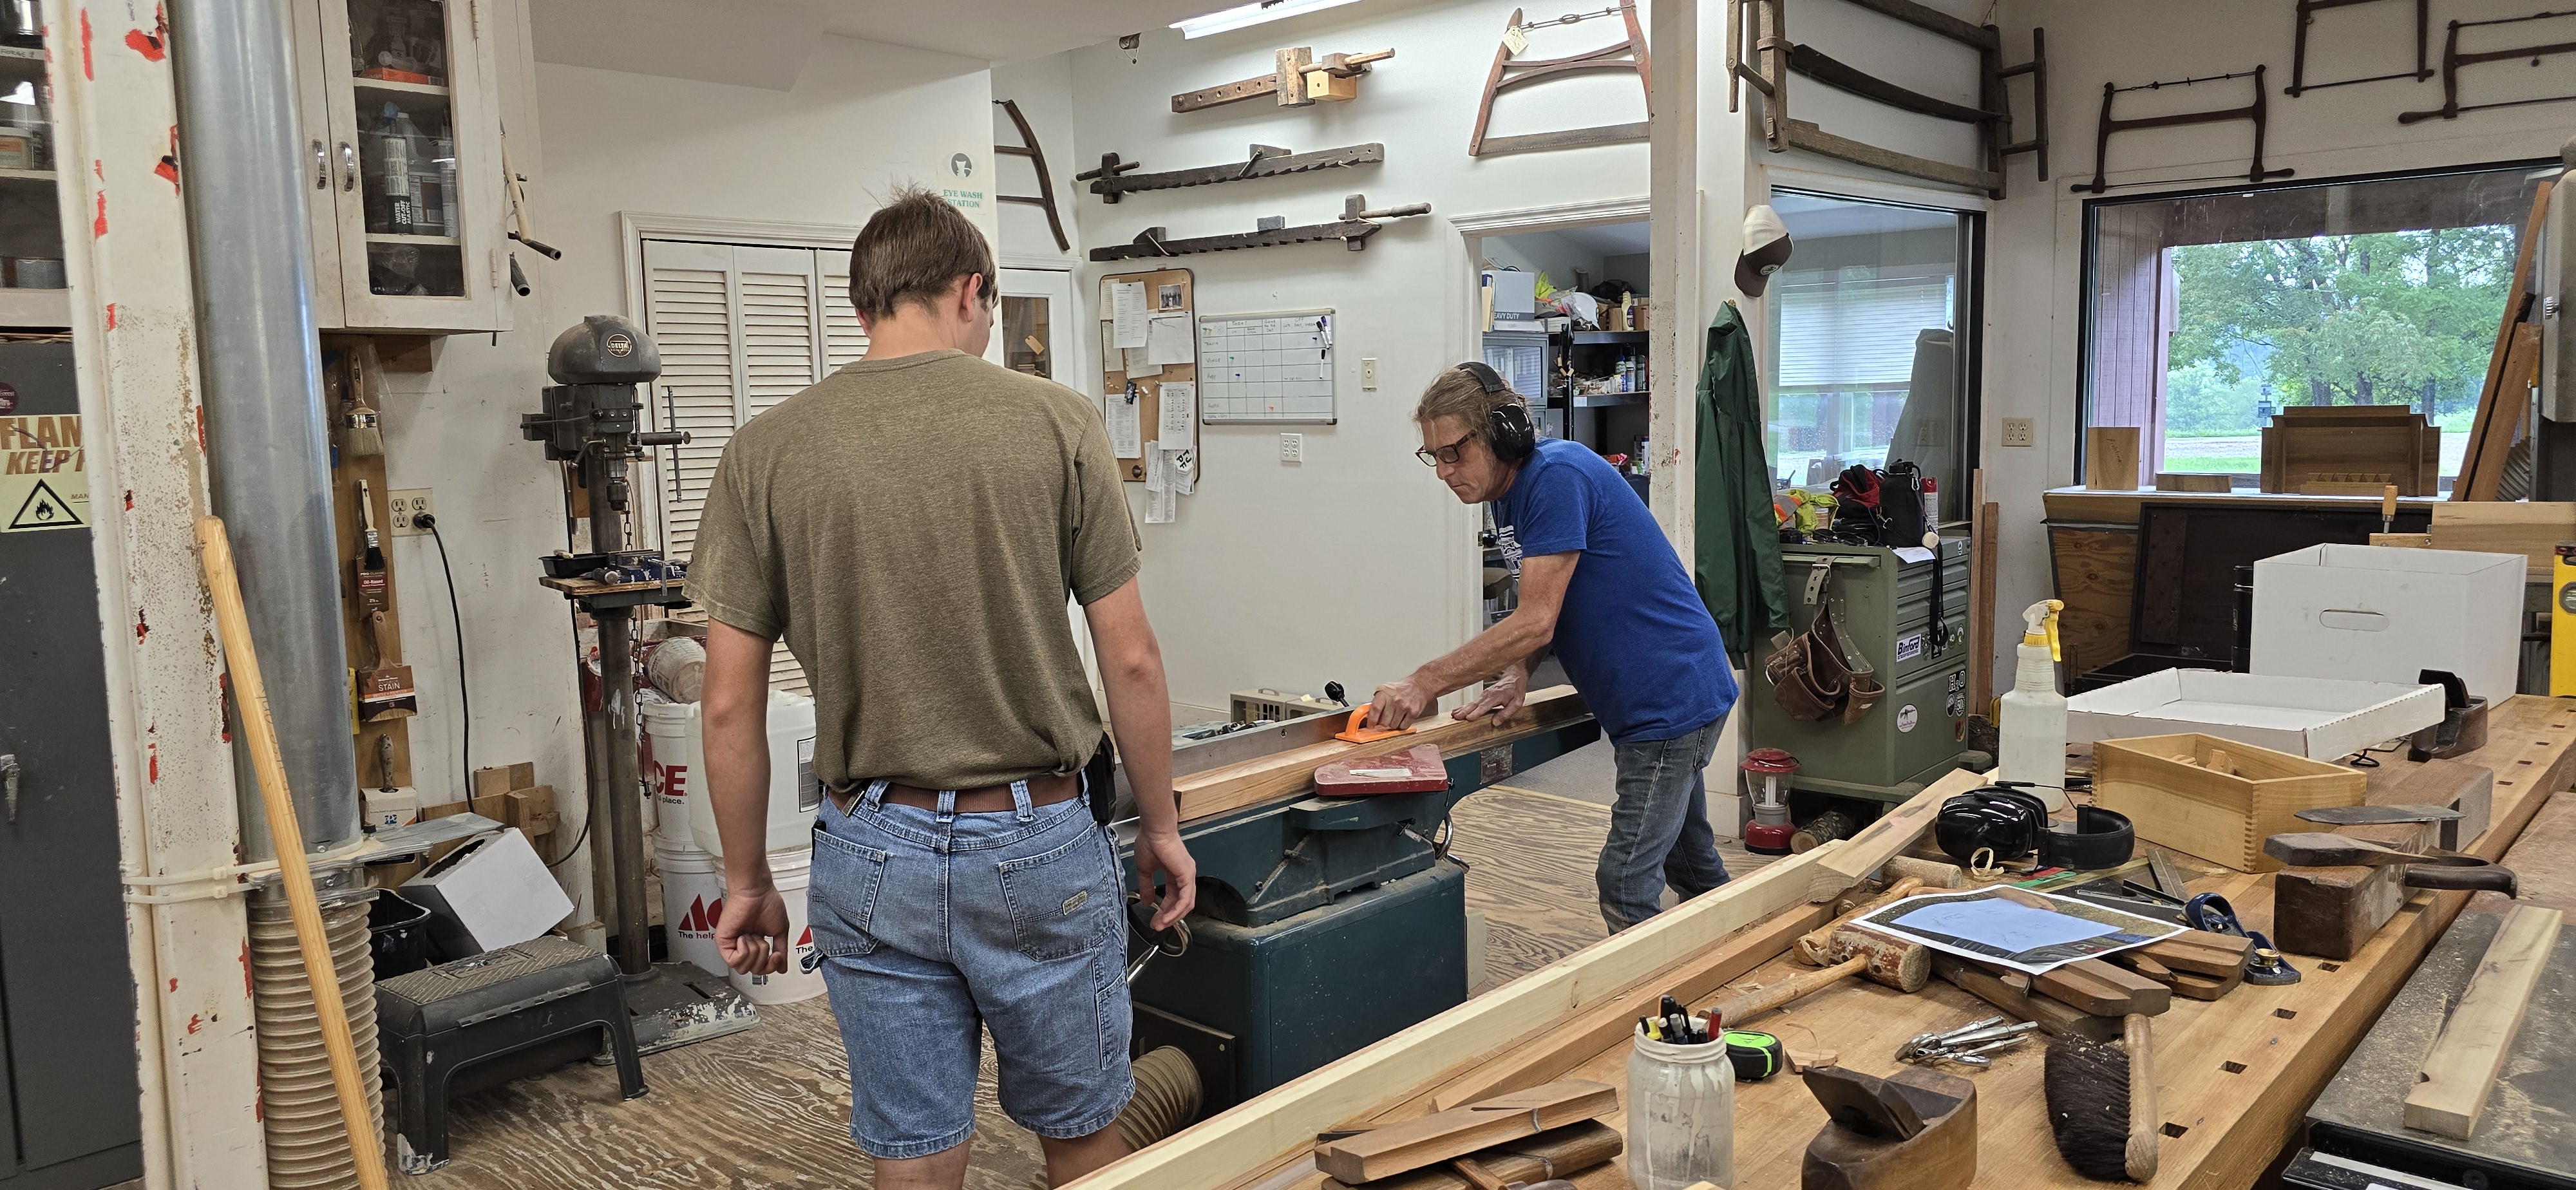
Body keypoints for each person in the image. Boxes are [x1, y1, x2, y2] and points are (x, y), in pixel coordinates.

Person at [688, 185, 1197, 1190]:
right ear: (972, 291)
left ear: (864, 303)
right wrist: (1165, 826)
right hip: (1039, 841)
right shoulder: (1057, 421)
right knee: (1084, 1137)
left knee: (914, 1149)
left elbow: (727, 705)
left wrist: (748, 882)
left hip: (870, 849)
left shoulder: (767, 450)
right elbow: (1130, 659)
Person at [1365, 362, 1737, 932]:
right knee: (1691, 864)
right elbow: (1547, 610)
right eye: (1432, 456)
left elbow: (1536, 620)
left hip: (1668, 698)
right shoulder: (1508, 494)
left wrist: (1423, 682)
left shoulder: (1558, 476)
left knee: (1626, 881)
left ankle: (1645, 1013)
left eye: (1452, 452)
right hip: (1656, 697)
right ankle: (1733, 955)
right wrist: (1518, 673)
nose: (1442, 471)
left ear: (1502, 434)